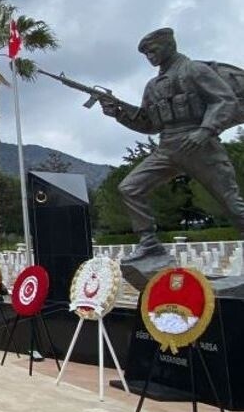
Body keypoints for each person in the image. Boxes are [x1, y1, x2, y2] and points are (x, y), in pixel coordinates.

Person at [99, 27, 244, 261]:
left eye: (153, 51)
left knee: (230, 203)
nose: (150, 57)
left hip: (200, 146)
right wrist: (118, 114)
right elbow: (150, 125)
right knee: (130, 188)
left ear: (170, 46)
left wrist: (205, 131)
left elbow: (224, 101)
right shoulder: (153, 86)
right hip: (167, 147)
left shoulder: (194, 70)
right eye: (146, 54)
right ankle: (149, 243)